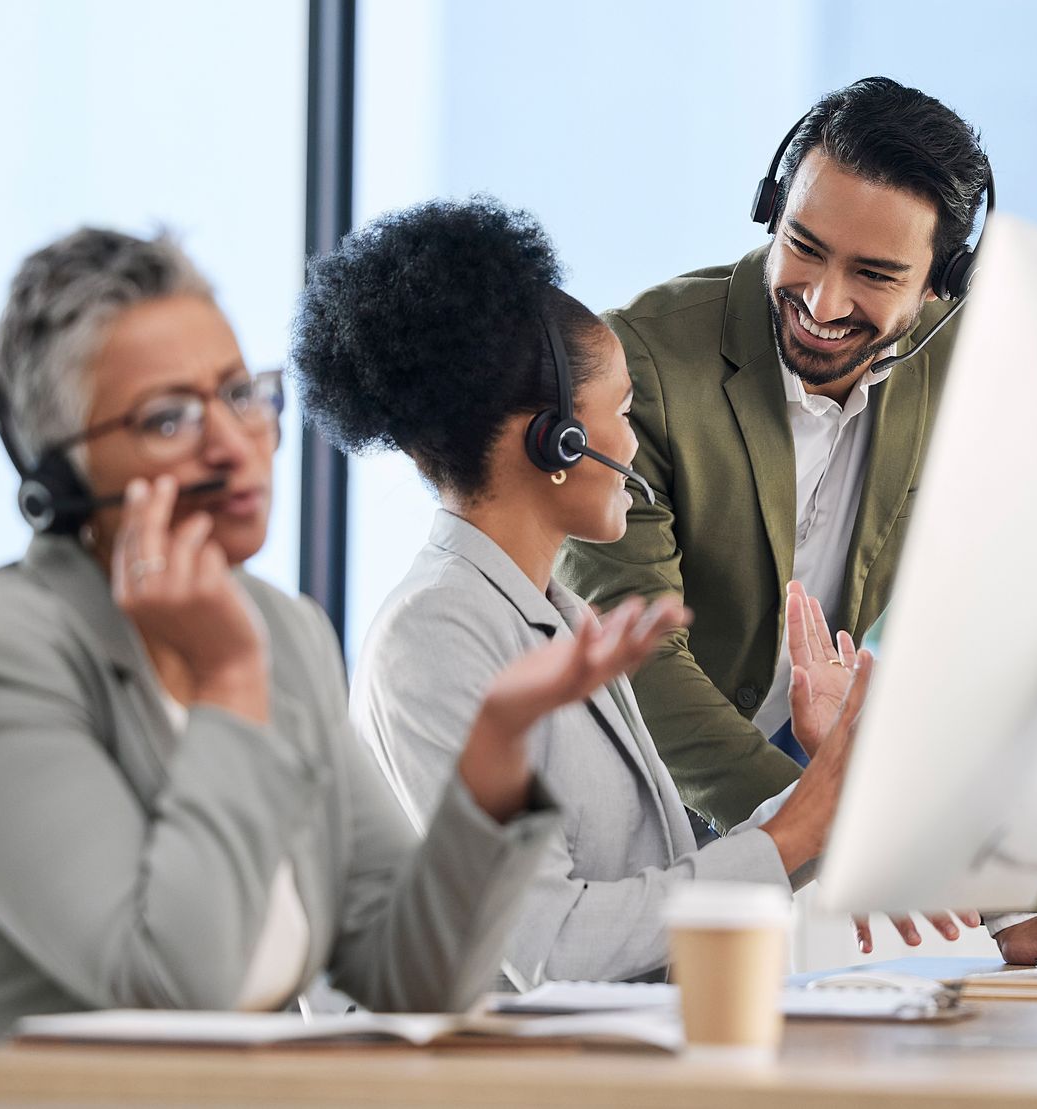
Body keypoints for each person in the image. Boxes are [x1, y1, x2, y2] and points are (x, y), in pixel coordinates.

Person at [0, 228, 663, 1106]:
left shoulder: (281, 633)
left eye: (239, 393)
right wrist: (231, 681)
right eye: (170, 417)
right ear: (60, 479)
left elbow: (418, 977)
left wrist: (496, 757)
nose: (234, 443)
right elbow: (172, 991)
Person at [555, 77, 1037, 963]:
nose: (822, 302)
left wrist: (1005, 906)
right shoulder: (648, 365)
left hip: (806, 809)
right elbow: (642, 660)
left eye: (875, 274)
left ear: (942, 284)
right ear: (772, 215)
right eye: (804, 249)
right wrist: (826, 839)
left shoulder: (978, 369)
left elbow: (982, 652)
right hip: (642, 833)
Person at [293, 198, 918, 988]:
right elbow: (546, 945)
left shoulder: (557, 615)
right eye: (622, 411)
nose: (634, 440)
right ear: (556, 439)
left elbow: (661, 894)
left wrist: (821, 800)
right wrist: (794, 828)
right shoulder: (436, 630)